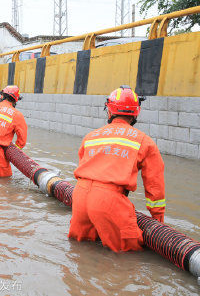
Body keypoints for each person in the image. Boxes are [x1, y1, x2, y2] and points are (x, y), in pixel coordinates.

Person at [68, 85, 165, 252]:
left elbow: (83, 167)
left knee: (79, 250)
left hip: (80, 197)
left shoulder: (91, 136)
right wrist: (158, 220)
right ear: (136, 113)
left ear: (109, 111)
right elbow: (155, 185)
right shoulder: (144, 141)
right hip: (109, 201)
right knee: (127, 256)